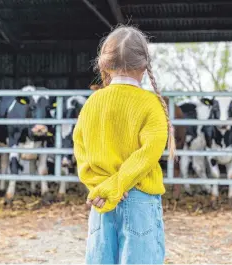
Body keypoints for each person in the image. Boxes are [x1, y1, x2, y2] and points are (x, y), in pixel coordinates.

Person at [73, 25, 176, 264]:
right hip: (139, 196)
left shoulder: (93, 102)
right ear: (144, 64)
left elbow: (80, 148)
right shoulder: (150, 104)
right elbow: (149, 153)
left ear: (105, 64)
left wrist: (101, 186)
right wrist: (118, 185)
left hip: (100, 200)